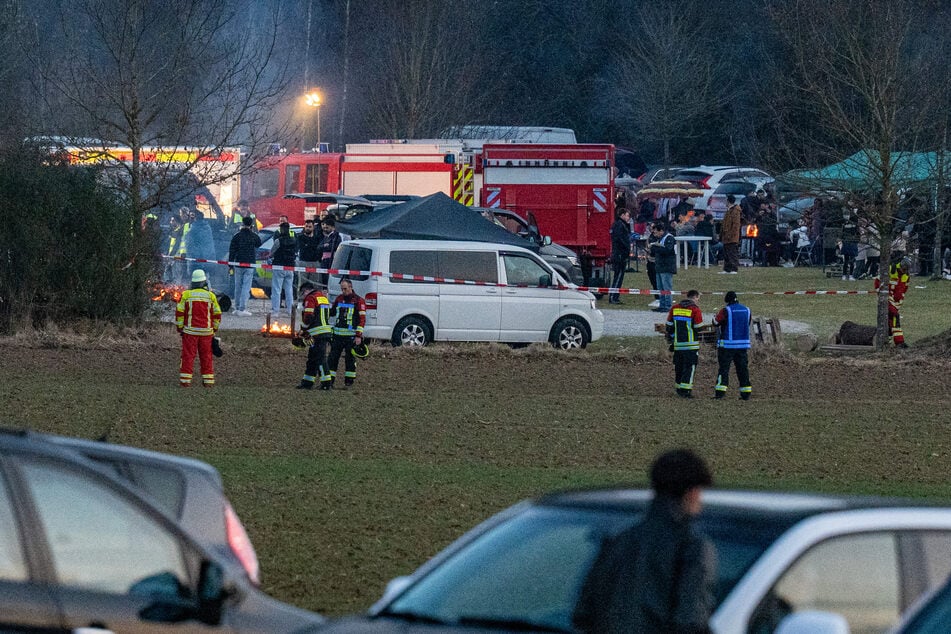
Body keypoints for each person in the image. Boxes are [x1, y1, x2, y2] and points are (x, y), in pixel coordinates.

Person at [574, 448, 716, 634]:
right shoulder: (691, 548)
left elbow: (583, 613)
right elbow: (690, 622)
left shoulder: (617, 541)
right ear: (692, 493)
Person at [175, 269, 222, 388]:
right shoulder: (211, 296)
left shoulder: (186, 295)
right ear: (204, 282)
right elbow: (217, 314)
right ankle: (208, 382)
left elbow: (179, 312)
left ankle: (185, 381)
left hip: (190, 332)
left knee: (188, 356)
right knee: (206, 357)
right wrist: (214, 329)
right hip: (206, 333)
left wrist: (180, 328)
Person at [326, 277, 367, 388]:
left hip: (351, 337)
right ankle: (330, 382)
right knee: (332, 359)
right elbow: (332, 313)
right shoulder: (339, 299)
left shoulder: (359, 301)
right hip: (337, 336)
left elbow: (362, 320)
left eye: (345, 289)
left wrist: (358, 336)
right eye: (342, 289)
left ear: (350, 287)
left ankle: (348, 383)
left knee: (350, 360)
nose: (343, 291)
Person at [712, 291, 752, 400]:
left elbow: (716, 322)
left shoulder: (726, 310)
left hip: (727, 346)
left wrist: (714, 317)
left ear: (727, 301)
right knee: (743, 369)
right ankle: (746, 392)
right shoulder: (747, 310)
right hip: (742, 345)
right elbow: (747, 324)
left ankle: (720, 392)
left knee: (724, 369)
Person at [296, 281, 334, 390]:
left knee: (320, 359)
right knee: (312, 358)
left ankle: (326, 383)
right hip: (324, 332)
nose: (303, 296)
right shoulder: (322, 297)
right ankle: (307, 382)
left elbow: (308, 316)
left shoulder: (310, 298)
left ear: (306, 290)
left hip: (317, 334)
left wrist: (303, 329)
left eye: (303, 293)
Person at [666, 289, 703, 398]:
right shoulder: (695, 310)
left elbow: (669, 326)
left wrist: (674, 338)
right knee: (689, 368)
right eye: (698, 298)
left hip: (678, 345)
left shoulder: (675, 308)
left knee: (679, 367)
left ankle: (678, 388)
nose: (698, 301)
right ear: (695, 297)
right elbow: (698, 327)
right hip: (691, 345)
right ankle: (686, 391)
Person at [228, 214, 261, 316]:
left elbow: (232, 250)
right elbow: (259, 243)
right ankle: (242, 308)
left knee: (238, 286)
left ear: (242, 224)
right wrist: (253, 231)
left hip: (238, 264)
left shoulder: (237, 236)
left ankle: (237, 307)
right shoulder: (253, 236)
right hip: (249, 264)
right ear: (251, 225)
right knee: (246, 287)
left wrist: (230, 264)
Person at [875, 256, 911, 348]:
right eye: (904, 269)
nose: (905, 271)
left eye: (906, 270)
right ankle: (899, 342)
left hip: (897, 302)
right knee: (895, 317)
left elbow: (905, 287)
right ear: (901, 266)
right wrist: (880, 293)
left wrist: (900, 297)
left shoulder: (907, 275)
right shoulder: (891, 270)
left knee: (890, 320)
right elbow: (877, 281)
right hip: (888, 299)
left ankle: (887, 338)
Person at [269, 221, 297, 315]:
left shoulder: (278, 241)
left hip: (279, 266)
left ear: (281, 230)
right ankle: (290, 310)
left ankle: (275, 311)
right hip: (290, 267)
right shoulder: (293, 240)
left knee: (277, 290)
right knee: (289, 290)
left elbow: (271, 253)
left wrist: (269, 257)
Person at [650, 222, 677, 312]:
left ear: (661, 231)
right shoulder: (660, 239)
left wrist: (655, 248)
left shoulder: (669, 238)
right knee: (660, 288)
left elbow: (667, 250)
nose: (655, 234)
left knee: (666, 287)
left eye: (656, 232)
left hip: (666, 267)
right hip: (659, 266)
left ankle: (668, 306)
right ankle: (662, 305)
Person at [609, 208, 631, 304]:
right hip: (620, 255)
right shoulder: (620, 225)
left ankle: (614, 296)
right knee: (618, 276)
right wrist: (626, 249)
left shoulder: (620, 225)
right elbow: (620, 240)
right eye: (627, 215)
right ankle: (613, 296)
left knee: (619, 276)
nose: (628, 217)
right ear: (622, 215)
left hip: (619, 254)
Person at [297, 218, 322, 292]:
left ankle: (313, 299)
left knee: (314, 283)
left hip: (315, 262)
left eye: (310, 227)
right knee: (302, 283)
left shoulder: (317, 238)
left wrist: (308, 245)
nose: (308, 228)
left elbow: (319, 249)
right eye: (306, 226)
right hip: (303, 262)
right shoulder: (300, 237)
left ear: (313, 227)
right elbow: (302, 247)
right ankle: (301, 300)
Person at [319, 215, 342, 289]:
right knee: (324, 279)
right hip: (324, 261)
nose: (325, 229)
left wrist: (326, 246)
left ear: (332, 227)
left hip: (331, 260)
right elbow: (319, 247)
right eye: (324, 227)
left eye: (327, 227)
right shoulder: (326, 237)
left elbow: (335, 246)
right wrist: (325, 245)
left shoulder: (337, 237)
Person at [720, 195, 741, 274]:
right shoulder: (728, 210)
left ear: (728, 201)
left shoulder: (735, 211)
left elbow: (735, 225)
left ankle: (734, 269)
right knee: (726, 253)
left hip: (732, 236)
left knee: (732, 253)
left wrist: (730, 234)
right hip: (726, 235)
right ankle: (727, 269)